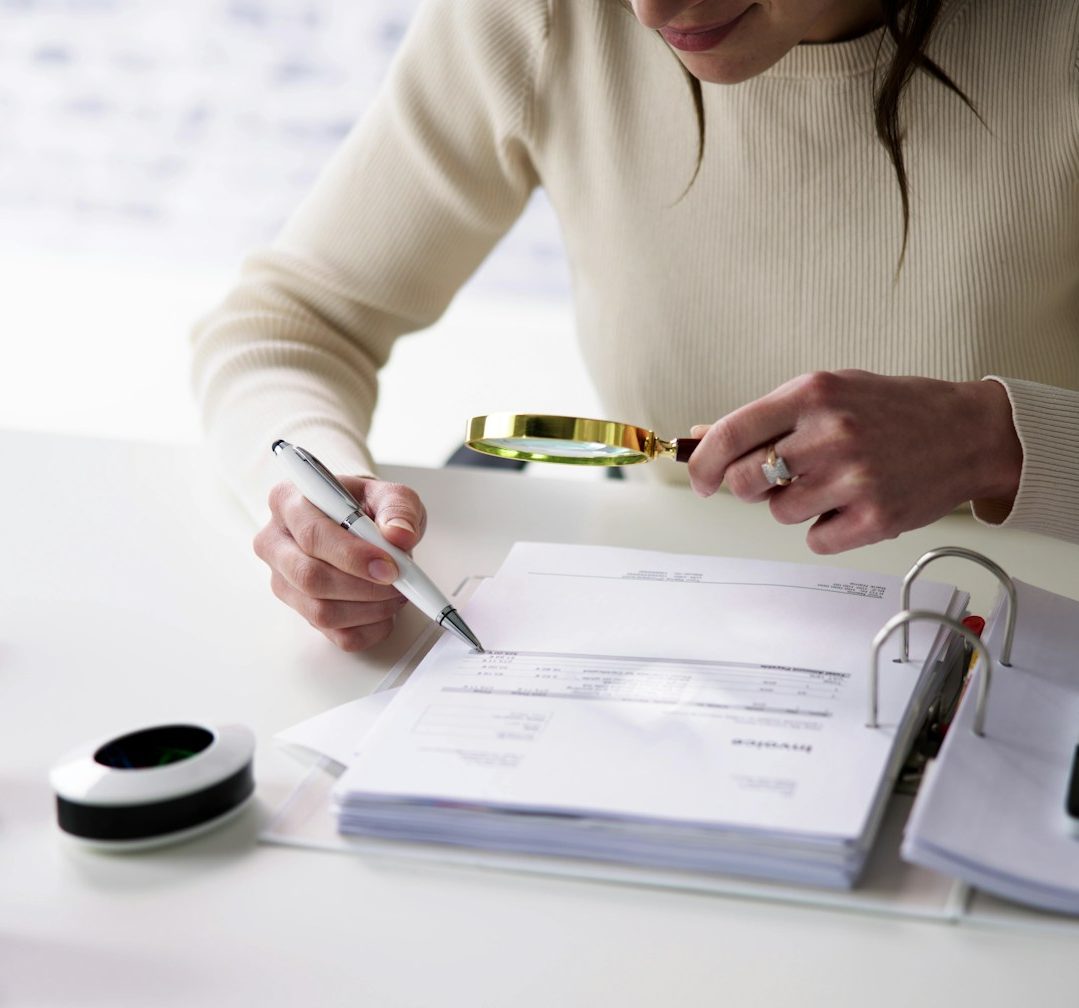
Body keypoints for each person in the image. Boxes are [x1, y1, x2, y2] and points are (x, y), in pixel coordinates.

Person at [192, 0, 1079, 653]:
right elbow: (286, 325)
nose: (650, 12)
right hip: (684, 650)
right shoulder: (543, 15)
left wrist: (995, 442)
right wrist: (315, 502)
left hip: (1025, 647)